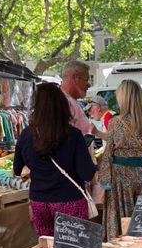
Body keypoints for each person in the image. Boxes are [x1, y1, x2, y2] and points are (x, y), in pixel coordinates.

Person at [13, 83, 97, 236]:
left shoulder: (26, 135)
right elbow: (87, 173)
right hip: (69, 200)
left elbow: (17, 169)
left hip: (39, 201)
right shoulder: (73, 135)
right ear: (62, 106)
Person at [99, 79, 142, 241]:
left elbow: (108, 154)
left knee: (121, 221)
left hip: (121, 179)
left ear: (122, 98)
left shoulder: (115, 122)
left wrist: (104, 181)